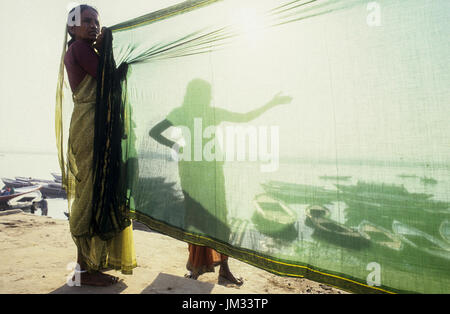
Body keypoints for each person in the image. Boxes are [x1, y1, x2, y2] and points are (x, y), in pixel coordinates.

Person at [149, 78, 292, 285]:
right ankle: (201, 269)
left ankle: (220, 270)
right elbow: (154, 132)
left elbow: (244, 117)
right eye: (206, 94)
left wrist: (272, 103)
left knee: (216, 221)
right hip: (197, 174)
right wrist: (177, 146)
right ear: (197, 95)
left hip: (209, 173)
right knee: (201, 220)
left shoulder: (201, 112)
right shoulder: (185, 112)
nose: (209, 98)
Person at [63, 4, 136, 286]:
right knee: (91, 195)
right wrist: (110, 51)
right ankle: (83, 271)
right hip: (89, 126)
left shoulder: (88, 50)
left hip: (94, 125)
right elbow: (111, 79)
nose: (94, 26)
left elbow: (110, 79)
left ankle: (86, 268)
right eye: (87, 21)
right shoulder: (80, 49)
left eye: (97, 21)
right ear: (72, 28)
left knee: (94, 194)